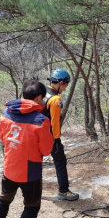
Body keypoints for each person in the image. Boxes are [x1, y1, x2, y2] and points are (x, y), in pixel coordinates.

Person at [0, 80, 53, 218]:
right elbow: (46, 150)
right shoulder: (41, 120)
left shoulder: (5, 113)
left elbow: (3, 139)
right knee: (32, 205)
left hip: (9, 166)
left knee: (3, 200)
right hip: (30, 171)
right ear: (39, 97)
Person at [41, 69, 79, 201]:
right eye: (65, 86)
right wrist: (56, 140)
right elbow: (54, 123)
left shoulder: (41, 93)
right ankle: (63, 191)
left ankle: (32, 191)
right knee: (60, 161)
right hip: (48, 136)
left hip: (34, 135)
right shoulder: (56, 99)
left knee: (35, 163)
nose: (64, 89)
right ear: (61, 82)